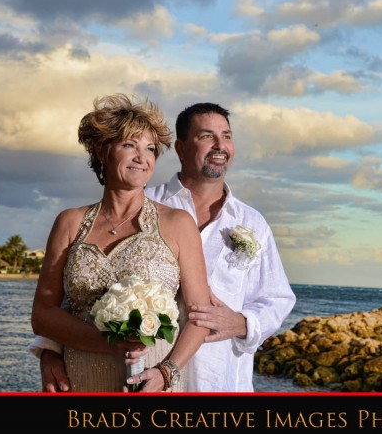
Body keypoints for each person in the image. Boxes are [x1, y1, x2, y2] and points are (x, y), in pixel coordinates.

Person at [31, 102, 296, 392]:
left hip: (214, 375)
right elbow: (74, 296)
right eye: (207, 136)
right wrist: (50, 350)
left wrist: (244, 324)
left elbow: (277, 298)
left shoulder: (251, 222)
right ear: (180, 149)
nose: (220, 145)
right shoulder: (147, 200)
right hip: (98, 373)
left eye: (227, 136)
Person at [30, 94, 211, 392]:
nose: (142, 157)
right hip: (78, 380)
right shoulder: (70, 222)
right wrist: (100, 344)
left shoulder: (178, 224)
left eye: (150, 149)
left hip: (151, 381)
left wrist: (167, 372)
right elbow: (43, 314)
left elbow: (199, 316)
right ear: (102, 151)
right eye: (129, 145)